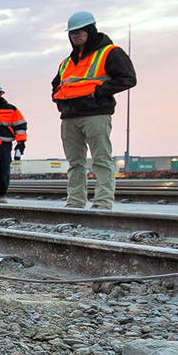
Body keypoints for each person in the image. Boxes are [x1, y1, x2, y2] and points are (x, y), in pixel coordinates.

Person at [52, 12, 136, 210]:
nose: (76, 36)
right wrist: (61, 103)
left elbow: (128, 78)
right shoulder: (67, 62)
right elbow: (56, 86)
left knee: (101, 159)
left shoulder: (109, 52)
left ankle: (103, 202)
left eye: (80, 32)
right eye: (72, 33)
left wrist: (98, 93)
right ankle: (75, 201)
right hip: (70, 116)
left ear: (90, 30)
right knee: (75, 163)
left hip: (96, 114)